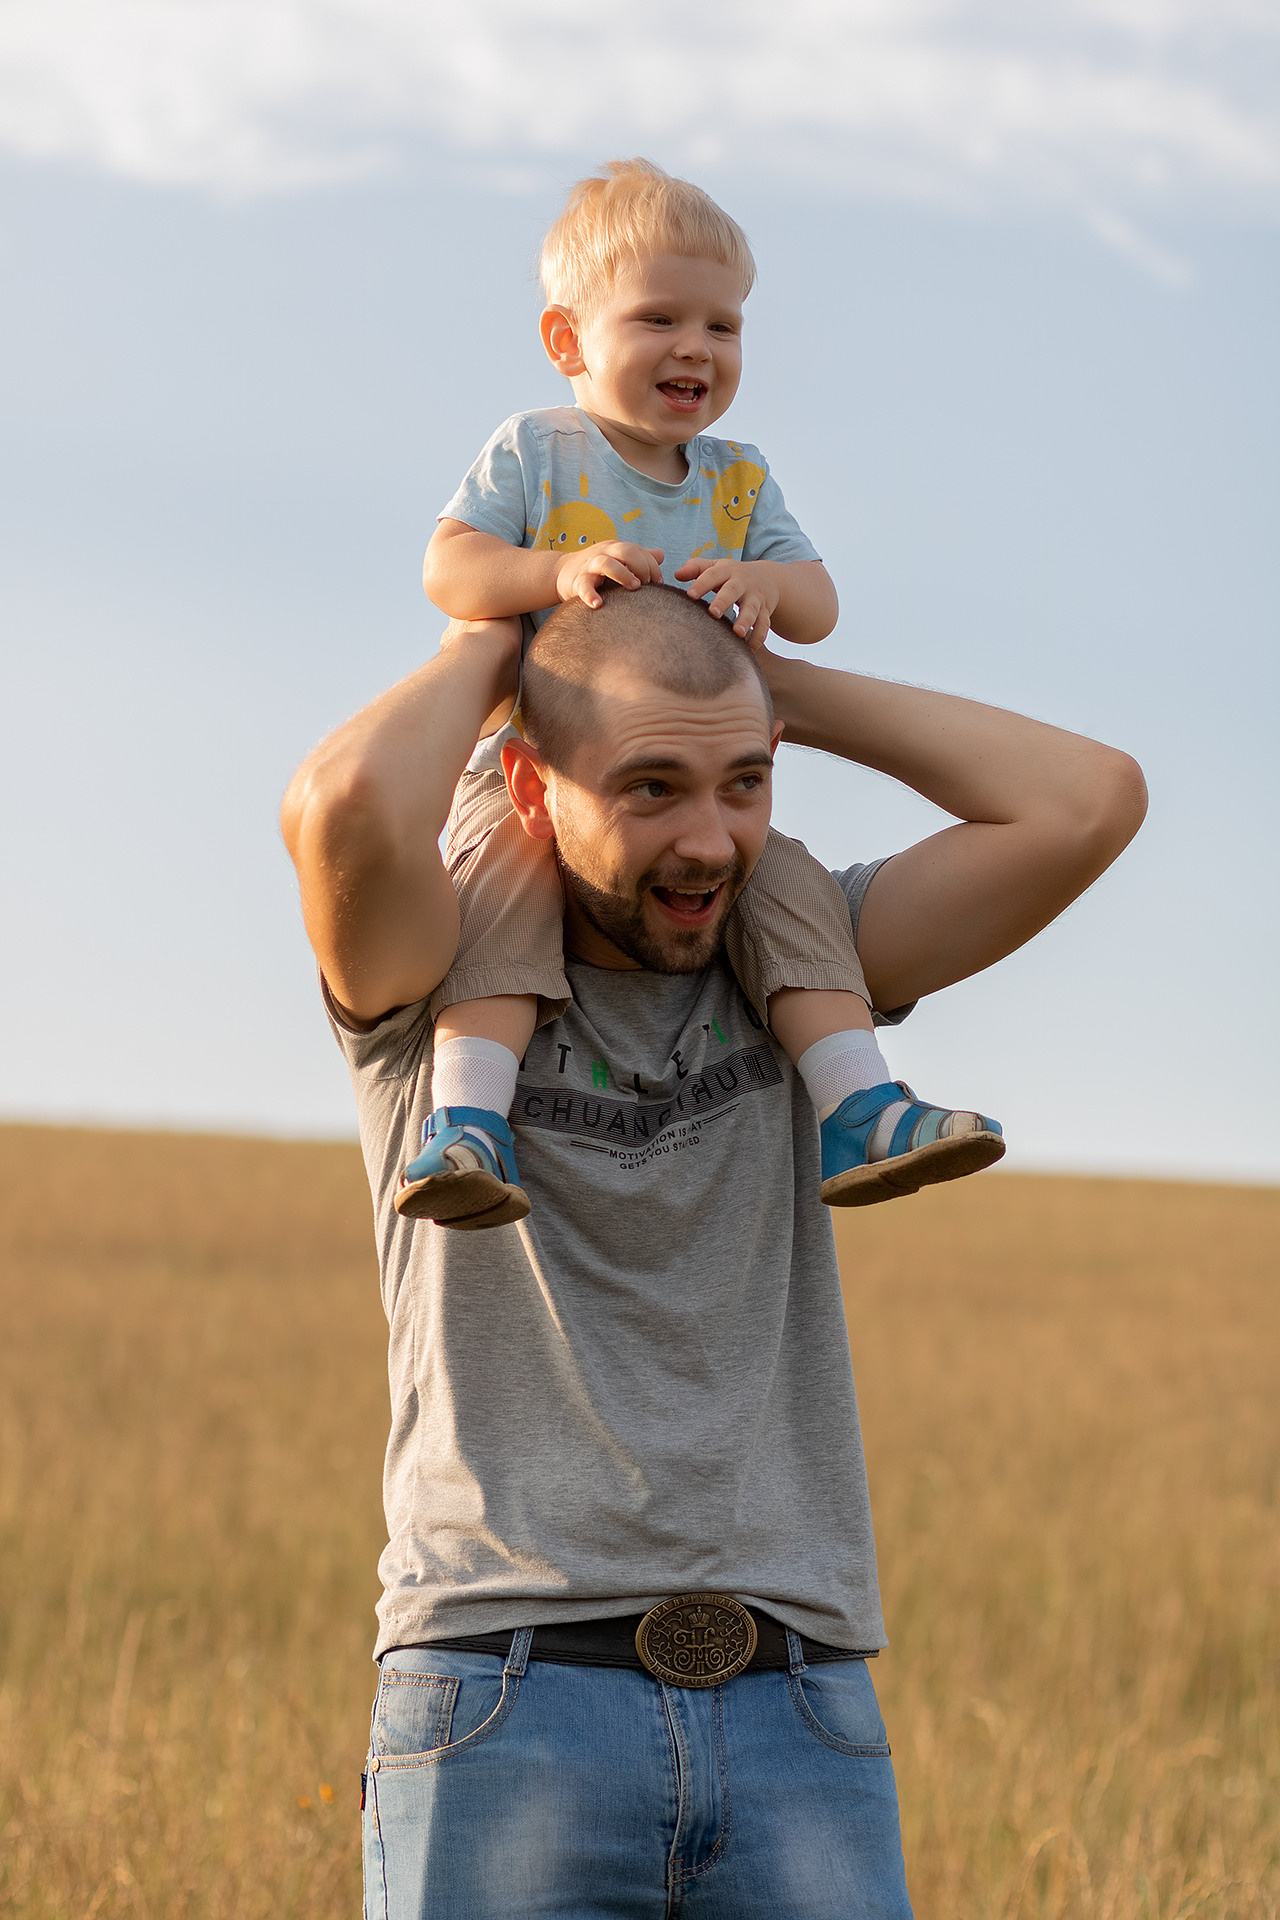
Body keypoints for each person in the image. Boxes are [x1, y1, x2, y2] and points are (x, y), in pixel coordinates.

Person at [281, 585, 1146, 1918]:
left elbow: (1088, 801)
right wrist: (498, 648)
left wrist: (759, 686)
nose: (709, 840)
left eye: (744, 785)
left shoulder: (808, 970)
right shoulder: (435, 988)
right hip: (505, 1695)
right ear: (529, 782)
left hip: (801, 1704)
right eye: (650, 788)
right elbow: (341, 805)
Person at [399, 158, 1003, 1232]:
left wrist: (761, 582)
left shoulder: (736, 479)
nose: (696, 349)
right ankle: (469, 1125)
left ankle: (857, 1104)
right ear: (567, 341)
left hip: (696, 788)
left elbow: (814, 604)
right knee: (498, 895)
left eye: (723, 327)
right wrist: (553, 573)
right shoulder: (538, 450)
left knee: (791, 891)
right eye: (658, 319)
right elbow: (450, 571)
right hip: (543, 773)